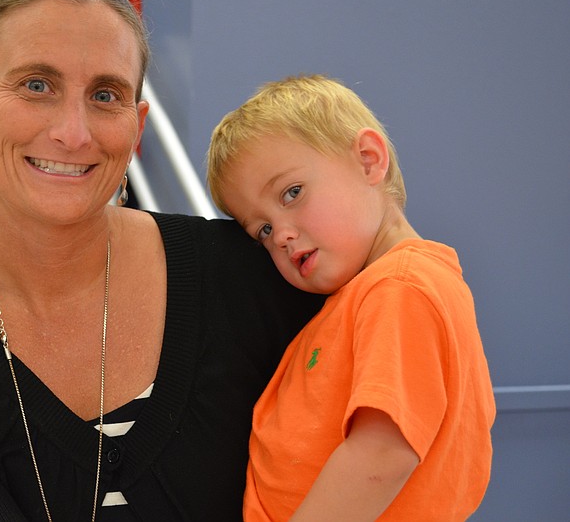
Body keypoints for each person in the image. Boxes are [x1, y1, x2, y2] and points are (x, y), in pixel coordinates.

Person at [0, 0, 323, 521]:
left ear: (136, 130)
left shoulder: (251, 278)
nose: (74, 132)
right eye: (37, 85)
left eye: (105, 94)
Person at [206, 74, 496, 521]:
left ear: (368, 160)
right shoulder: (367, 294)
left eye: (292, 193)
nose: (280, 234)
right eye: (261, 229)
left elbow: (381, 455)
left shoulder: (400, 287)